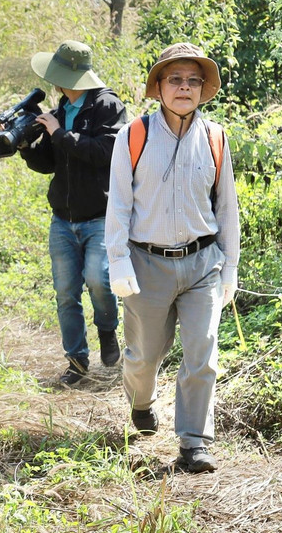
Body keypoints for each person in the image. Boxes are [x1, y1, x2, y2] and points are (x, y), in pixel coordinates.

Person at [104, 43, 239, 474]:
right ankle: (142, 403)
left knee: (202, 352)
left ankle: (193, 442)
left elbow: (227, 208)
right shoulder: (134, 135)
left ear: (203, 89)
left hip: (203, 263)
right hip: (147, 263)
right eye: (175, 79)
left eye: (193, 80)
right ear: (158, 87)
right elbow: (119, 206)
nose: (184, 87)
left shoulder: (216, 138)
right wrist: (118, 261)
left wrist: (230, 266)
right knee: (143, 356)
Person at [19, 40, 128, 387]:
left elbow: (106, 152)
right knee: (66, 293)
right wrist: (26, 148)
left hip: (99, 215)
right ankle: (77, 362)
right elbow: (49, 162)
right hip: (62, 219)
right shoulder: (62, 107)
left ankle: (108, 331)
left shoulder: (107, 105)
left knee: (99, 281)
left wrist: (61, 133)